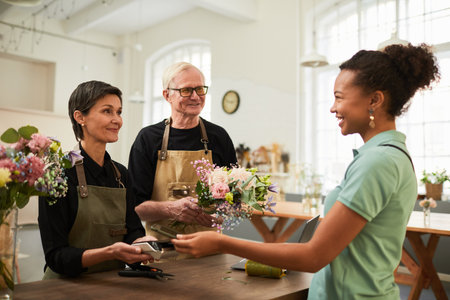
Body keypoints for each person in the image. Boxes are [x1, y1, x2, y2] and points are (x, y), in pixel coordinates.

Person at [172, 43, 440, 299]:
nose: (333, 107)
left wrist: (222, 243)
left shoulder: (378, 162)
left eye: (339, 97)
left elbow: (313, 256)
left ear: (375, 100)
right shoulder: (388, 155)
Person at [38, 81, 155, 279]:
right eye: (107, 111)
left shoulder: (122, 175)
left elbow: (133, 230)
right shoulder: (56, 174)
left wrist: (141, 244)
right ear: (80, 117)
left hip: (112, 284)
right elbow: (56, 256)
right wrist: (109, 252)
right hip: (63, 288)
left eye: (119, 112)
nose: (117, 119)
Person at [128, 62, 237, 241]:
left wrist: (219, 217)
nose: (195, 96)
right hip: (162, 252)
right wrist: (170, 209)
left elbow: (234, 200)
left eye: (200, 89)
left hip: (210, 250)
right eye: (186, 90)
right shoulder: (147, 138)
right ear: (167, 95)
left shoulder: (219, 137)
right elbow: (135, 208)